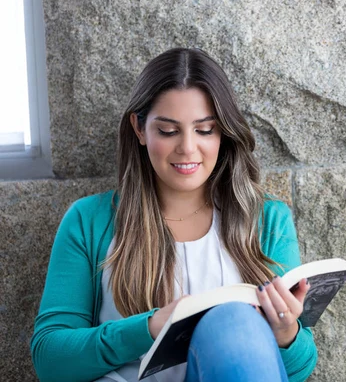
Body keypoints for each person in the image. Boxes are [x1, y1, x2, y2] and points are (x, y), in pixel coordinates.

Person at [30, 48, 318, 382]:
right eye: (168, 131)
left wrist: (286, 335)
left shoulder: (267, 220)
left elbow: (296, 371)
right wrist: (152, 326)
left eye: (205, 130)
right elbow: (50, 360)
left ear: (223, 132)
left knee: (236, 323)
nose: (187, 148)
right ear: (139, 128)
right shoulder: (89, 221)